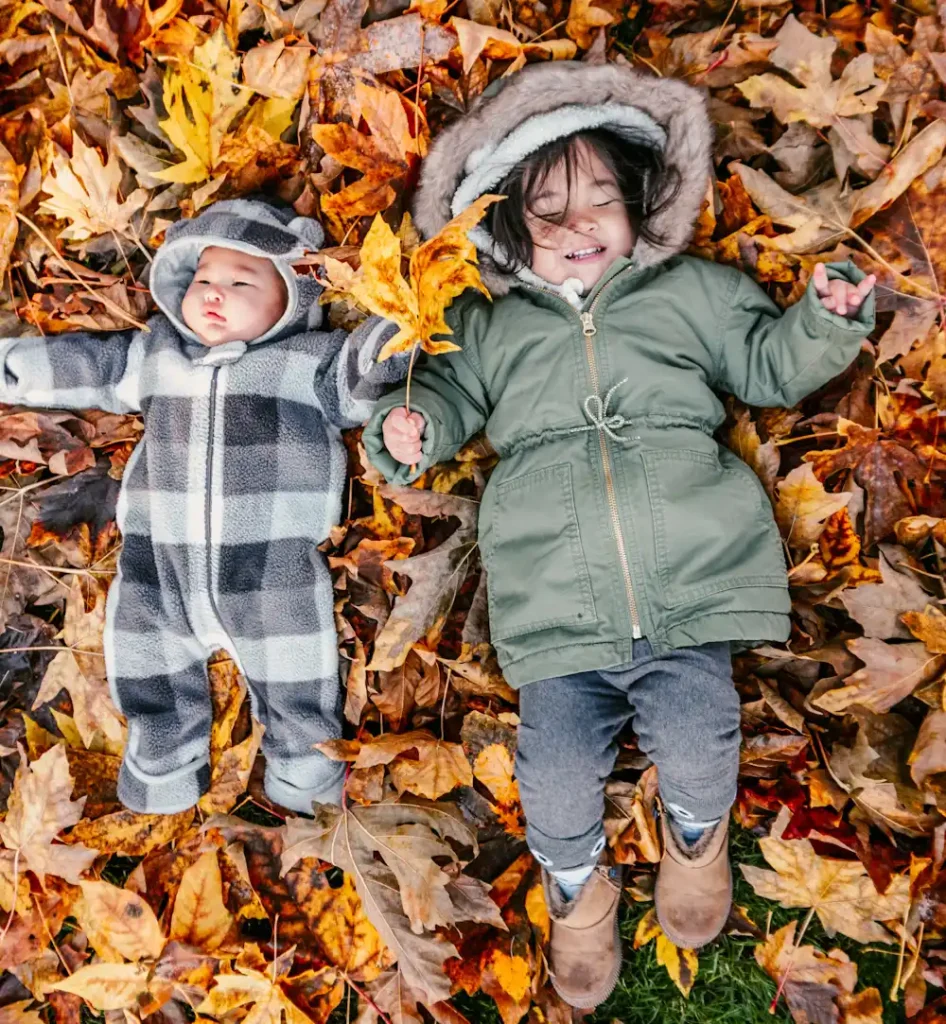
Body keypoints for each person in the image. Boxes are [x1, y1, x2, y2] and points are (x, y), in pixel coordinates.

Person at [362, 62, 875, 1007]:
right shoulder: (486, 324)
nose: (580, 224)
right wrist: (412, 431)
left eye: (602, 198)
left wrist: (823, 323)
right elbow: (443, 398)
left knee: (699, 732)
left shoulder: (692, 293)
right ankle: (576, 886)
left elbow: (766, 365)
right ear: (504, 229)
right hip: (556, 606)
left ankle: (695, 834)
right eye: (549, 211)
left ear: (641, 201)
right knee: (553, 773)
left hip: (688, 586)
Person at [0, 197, 407, 816]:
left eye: (242, 283)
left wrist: (400, 327)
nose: (215, 292)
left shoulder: (307, 361)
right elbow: (92, 365)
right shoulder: (158, 355)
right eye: (204, 279)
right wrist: (12, 369)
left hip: (269, 566)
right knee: (145, 654)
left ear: (292, 298)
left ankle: (304, 773)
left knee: (295, 669)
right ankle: (162, 764)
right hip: (159, 562)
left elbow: (360, 376)